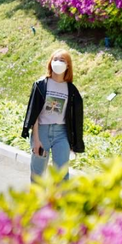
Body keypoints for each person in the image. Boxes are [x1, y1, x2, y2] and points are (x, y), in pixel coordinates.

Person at [21, 49, 85, 182]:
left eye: (62, 60)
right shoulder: (41, 85)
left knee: (62, 175)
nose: (58, 62)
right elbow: (34, 113)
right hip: (42, 131)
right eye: (55, 59)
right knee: (38, 173)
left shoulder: (71, 89)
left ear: (68, 65)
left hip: (61, 133)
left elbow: (75, 118)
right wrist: (36, 139)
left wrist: (73, 142)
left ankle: (59, 197)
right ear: (50, 63)